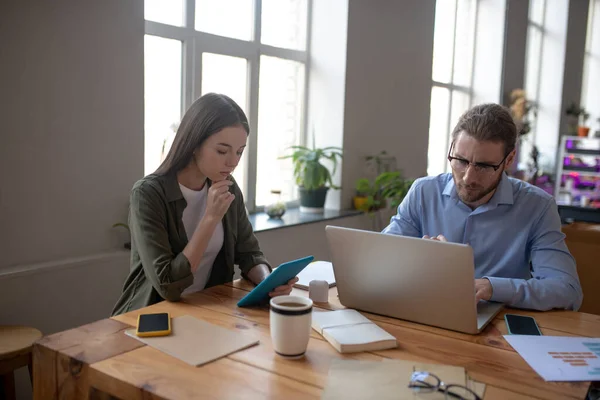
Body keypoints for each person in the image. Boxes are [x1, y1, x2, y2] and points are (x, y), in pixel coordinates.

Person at [382, 103, 583, 311]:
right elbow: (381, 261)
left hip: (497, 327)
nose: (468, 178)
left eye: (484, 166)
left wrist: (491, 287)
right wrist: (419, 259)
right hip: (427, 312)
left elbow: (567, 291)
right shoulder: (423, 192)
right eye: (460, 160)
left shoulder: (537, 207)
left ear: (509, 159)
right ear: (451, 149)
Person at [112, 93, 297, 315]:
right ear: (194, 144)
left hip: (206, 311)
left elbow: (250, 254)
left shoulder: (228, 186)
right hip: (151, 317)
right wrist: (210, 218)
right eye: (222, 151)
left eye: (239, 152)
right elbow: (168, 285)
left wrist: (268, 282)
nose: (233, 161)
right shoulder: (147, 194)